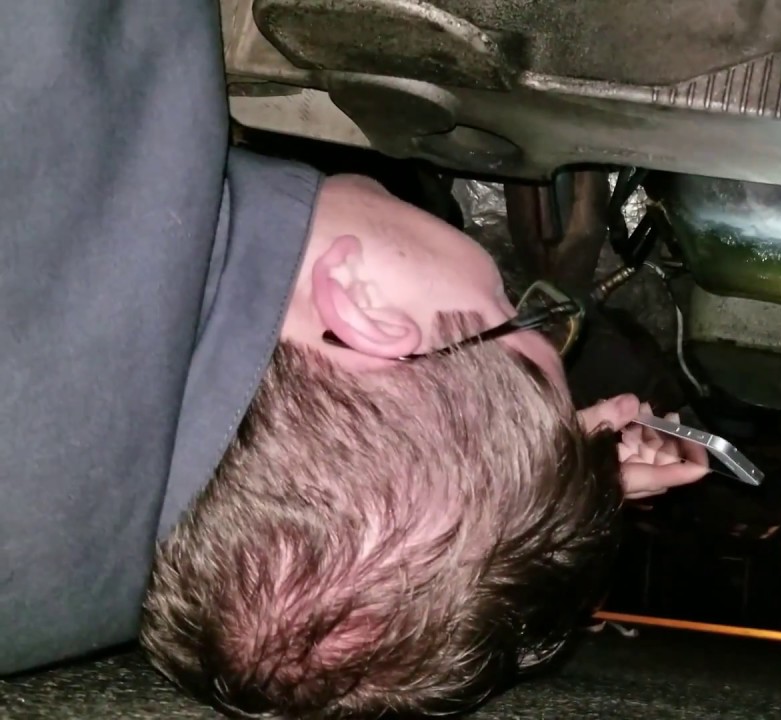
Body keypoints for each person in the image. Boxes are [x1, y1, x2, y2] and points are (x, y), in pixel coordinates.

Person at [0, 2, 708, 717]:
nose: (509, 289)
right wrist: (523, 498)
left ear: (364, 309)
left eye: (511, 310)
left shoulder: (59, 76)